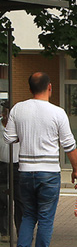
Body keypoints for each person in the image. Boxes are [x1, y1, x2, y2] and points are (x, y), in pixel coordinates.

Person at [3, 72, 77, 247]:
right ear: (50, 87)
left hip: (25, 171)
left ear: (29, 89)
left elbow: (8, 138)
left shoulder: (18, 109)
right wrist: (76, 170)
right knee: (45, 219)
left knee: (28, 215)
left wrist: (26, 134)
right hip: (49, 172)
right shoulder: (57, 113)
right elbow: (69, 146)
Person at [0, 100, 21, 239]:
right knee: (3, 201)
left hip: (18, 165)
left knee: (20, 201)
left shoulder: (20, 126)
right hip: (1, 165)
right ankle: (4, 231)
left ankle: (22, 232)